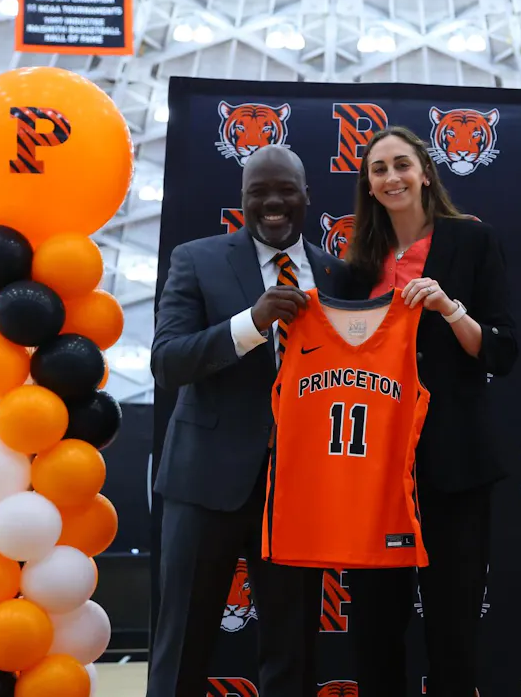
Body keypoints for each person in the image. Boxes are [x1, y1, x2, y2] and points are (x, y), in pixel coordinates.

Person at [148, 145, 355, 697]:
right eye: (257, 192)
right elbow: (167, 362)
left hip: (301, 488)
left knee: (293, 649)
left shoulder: (340, 273)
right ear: (241, 200)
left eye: (285, 189)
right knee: (182, 644)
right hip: (204, 482)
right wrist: (251, 324)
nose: (272, 202)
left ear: (306, 195)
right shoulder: (198, 259)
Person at [343, 126, 518, 696]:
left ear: (424, 173)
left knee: (453, 626)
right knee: (373, 629)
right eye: (378, 170)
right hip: (373, 470)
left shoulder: (472, 242)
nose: (391, 178)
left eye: (401, 165)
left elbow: (503, 350)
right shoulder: (355, 264)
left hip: (454, 463)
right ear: (368, 186)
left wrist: (449, 309)